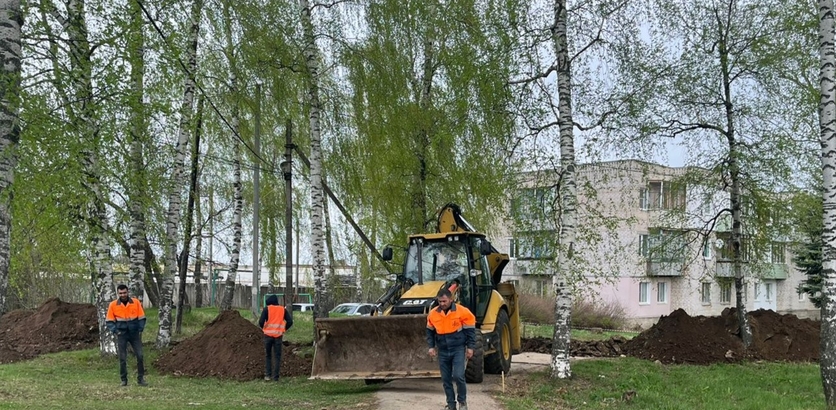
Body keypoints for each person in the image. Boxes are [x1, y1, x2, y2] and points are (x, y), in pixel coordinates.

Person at [426, 288, 475, 410]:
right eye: (440, 301)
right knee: (446, 379)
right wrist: (431, 347)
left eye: (444, 301)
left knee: (458, 376)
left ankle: (462, 402)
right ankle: (451, 404)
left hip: (458, 348)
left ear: (451, 300)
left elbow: (470, 331)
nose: (442, 304)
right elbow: (429, 332)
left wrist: (470, 347)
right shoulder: (433, 314)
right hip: (442, 350)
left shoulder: (462, 312)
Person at [105, 284, 147, 387]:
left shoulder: (136, 302)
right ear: (118, 293)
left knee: (140, 356)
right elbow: (109, 321)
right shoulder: (113, 305)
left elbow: (142, 317)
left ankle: (140, 379)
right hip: (122, 334)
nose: (123, 295)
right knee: (122, 358)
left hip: (134, 333)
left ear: (128, 292)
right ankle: (124, 380)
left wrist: (140, 329)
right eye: (120, 293)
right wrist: (116, 331)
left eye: (124, 292)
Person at [258, 294, 294, 381]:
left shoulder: (267, 309)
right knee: (277, 356)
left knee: (268, 355)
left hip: (268, 336)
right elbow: (290, 321)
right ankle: (276, 377)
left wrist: (265, 328)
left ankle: (267, 375)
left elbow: (261, 322)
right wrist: (283, 329)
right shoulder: (282, 309)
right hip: (278, 336)